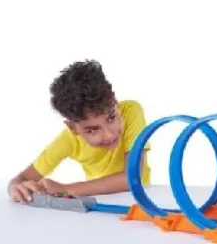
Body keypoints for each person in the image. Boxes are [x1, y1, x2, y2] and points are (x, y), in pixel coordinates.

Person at [8, 60, 151, 203]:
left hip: (142, 200)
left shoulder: (131, 111)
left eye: (111, 118)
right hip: (100, 204)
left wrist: (65, 189)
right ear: (73, 128)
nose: (109, 134)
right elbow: (22, 179)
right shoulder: (68, 140)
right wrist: (15, 188)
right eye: (92, 130)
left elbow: (131, 178)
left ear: (115, 102)